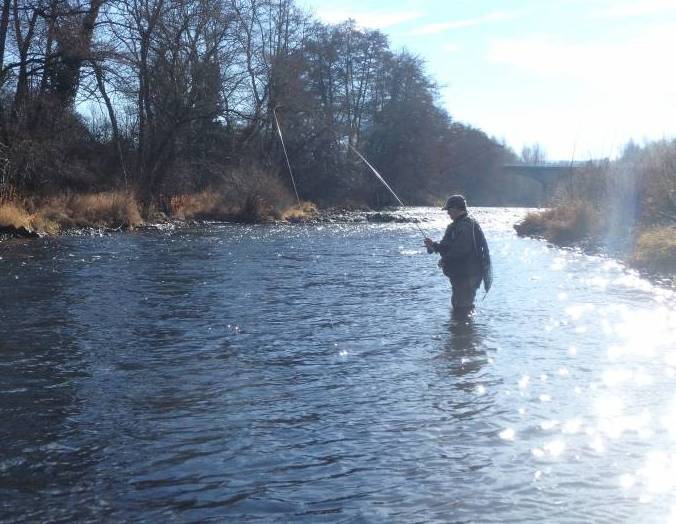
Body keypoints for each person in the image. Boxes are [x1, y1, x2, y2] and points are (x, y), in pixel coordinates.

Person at [424, 195, 491, 317]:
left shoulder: (465, 226)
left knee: (462, 309)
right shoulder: (458, 225)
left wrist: (445, 259)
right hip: (462, 275)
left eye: (449, 209)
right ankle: (463, 333)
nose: (448, 213)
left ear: (456, 208)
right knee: (460, 306)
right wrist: (433, 245)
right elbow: (448, 247)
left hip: (467, 275)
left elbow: (461, 250)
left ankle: (464, 332)